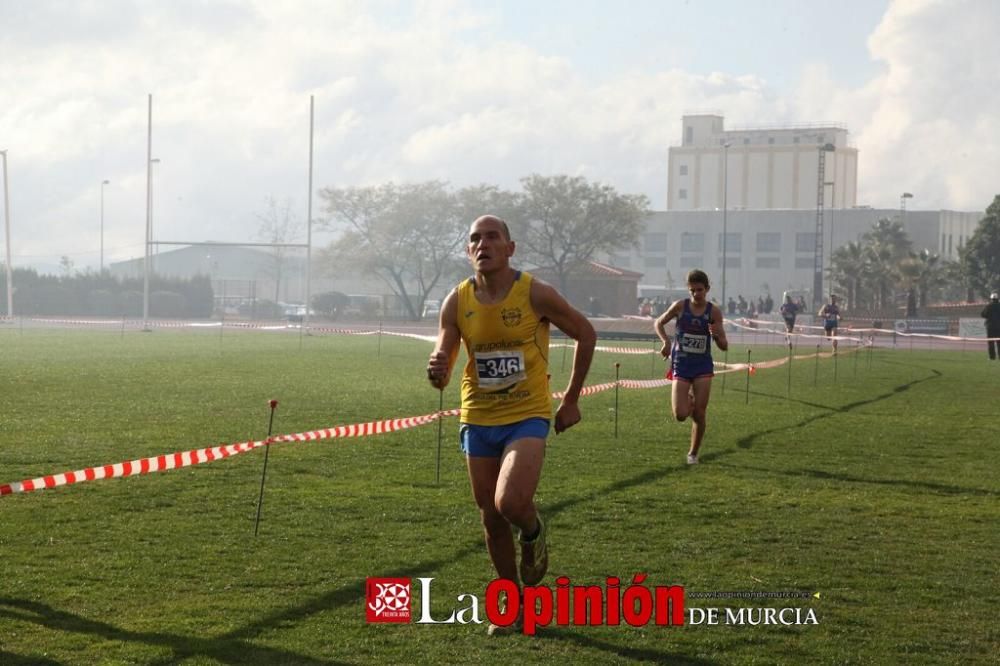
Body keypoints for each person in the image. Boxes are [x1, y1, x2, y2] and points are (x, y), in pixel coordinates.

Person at [426, 215, 596, 635]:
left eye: (492, 237)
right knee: (490, 517)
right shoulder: (456, 300)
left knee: (510, 504)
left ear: (509, 247)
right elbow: (444, 357)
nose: (482, 244)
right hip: (478, 417)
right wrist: (438, 369)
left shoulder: (534, 292)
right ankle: (514, 606)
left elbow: (586, 333)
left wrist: (571, 400)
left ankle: (534, 532)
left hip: (527, 414)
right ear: (468, 252)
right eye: (474, 239)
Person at [654, 269, 729, 465]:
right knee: (680, 414)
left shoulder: (713, 312)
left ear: (707, 289)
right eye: (692, 290)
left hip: (702, 366)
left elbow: (724, 346)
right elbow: (658, 323)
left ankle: (693, 453)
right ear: (688, 290)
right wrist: (666, 342)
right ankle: (689, 400)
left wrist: (716, 335)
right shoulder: (680, 306)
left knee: (699, 414)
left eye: (700, 290)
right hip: (681, 363)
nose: (696, 294)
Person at [981, 292, 1000, 360]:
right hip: (999, 327)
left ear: (991, 299)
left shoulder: (988, 306)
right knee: (999, 343)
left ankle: (992, 357)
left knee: (990, 343)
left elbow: (983, 314)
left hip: (990, 327)